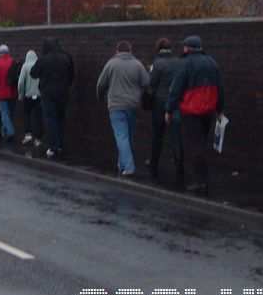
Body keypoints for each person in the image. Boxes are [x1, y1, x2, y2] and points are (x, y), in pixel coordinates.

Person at [166, 35, 224, 196]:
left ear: (188, 48)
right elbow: (220, 87)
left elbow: (175, 89)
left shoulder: (185, 64)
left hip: (192, 110)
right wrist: (219, 109)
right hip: (209, 110)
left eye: (184, 46)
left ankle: (201, 181)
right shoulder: (212, 63)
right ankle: (202, 179)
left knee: (195, 146)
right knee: (202, 142)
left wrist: (169, 110)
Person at [96, 40, 150, 177]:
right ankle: (122, 163)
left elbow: (101, 84)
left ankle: (129, 167)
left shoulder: (111, 64)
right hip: (133, 105)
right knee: (129, 136)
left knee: (121, 136)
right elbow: (146, 83)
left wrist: (101, 97)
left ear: (117, 51)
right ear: (130, 50)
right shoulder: (137, 64)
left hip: (116, 105)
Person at [30, 38, 74, 160]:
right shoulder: (66, 58)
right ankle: (60, 144)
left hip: (48, 93)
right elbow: (71, 74)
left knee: (50, 119)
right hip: (63, 93)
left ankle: (53, 147)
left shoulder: (44, 59)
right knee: (60, 118)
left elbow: (33, 73)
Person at [147, 38, 183, 184]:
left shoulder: (157, 63)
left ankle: (153, 163)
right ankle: (179, 165)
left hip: (160, 102)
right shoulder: (179, 63)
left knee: (158, 134)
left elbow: (152, 83)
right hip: (176, 101)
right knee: (176, 134)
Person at [0, 44, 18, 143]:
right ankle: (4, 132)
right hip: (13, 92)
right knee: (9, 113)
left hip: (1, 93)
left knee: (5, 113)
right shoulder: (13, 62)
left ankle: (10, 132)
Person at [17, 49, 43, 152]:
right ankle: (38, 138)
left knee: (26, 114)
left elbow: (20, 83)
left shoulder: (25, 66)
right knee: (38, 117)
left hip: (28, 96)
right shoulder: (40, 66)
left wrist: (20, 94)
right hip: (39, 95)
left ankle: (28, 134)